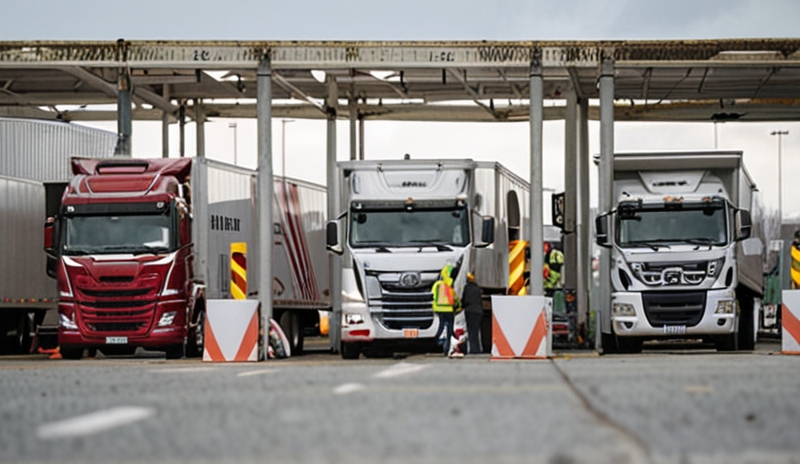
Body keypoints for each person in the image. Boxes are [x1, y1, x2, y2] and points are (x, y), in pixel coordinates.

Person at [432, 264, 458, 355]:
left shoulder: (437, 285)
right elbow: (455, 298)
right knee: (449, 329)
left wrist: (434, 308)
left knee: (441, 327)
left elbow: (433, 296)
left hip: (440, 310)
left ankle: (439, 342)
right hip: (449, 310)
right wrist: (458, 307)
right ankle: (448, 347)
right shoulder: (450, 286)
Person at [462, 272, 483, 355]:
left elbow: (465, 300)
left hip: (470, 311)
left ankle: (472, 349)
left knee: (471, 331)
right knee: (476, 331)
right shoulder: (477, 289)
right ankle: (477, 349)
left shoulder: (467, 288)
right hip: (478, 311)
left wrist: (461, 306)